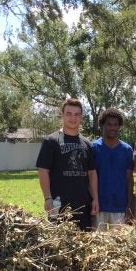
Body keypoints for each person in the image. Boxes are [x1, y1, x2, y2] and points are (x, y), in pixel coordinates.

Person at [36, 98, 98, 231]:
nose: (73, 118)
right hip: (58, 205)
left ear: (81, 116)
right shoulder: (51, 141)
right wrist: (47, 198)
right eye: (69, 113)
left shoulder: (87, 144)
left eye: (77, 114)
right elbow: (43, 171)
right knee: (58, 246)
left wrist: (95, 199)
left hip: (83, 206)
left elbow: (92, 173)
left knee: (84, 246)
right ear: (62, 115)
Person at [92, 108, 134, 230]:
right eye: (109, 124)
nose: (112, 128)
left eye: (115, 125)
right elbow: (90, 178)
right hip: (99, 206)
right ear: (102, 125)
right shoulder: (94, 148)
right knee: (98, 244)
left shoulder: (127, 150)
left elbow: (129, 180)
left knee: (118, 245)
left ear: (119, 127)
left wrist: (129, 206)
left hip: (119, 207)